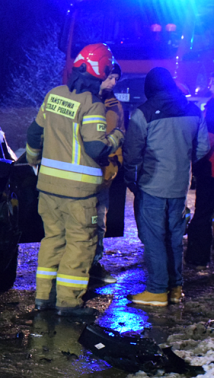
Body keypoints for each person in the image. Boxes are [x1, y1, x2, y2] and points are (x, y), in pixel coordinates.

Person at [25, 43, 123, 317]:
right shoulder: (92, 104)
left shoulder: (54, 95)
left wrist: (33, 159)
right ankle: (68, 304)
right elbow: (96, 148)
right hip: (79, 193)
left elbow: (33, 134)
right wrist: (117, 137)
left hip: (48, 189)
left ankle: (43, 298)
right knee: (80, 245)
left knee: (52, 240)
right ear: (100, 70)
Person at [124, 67, 210, 306]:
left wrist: (132, 180)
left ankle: (157, 290)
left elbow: (132, 154)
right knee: (174, 237)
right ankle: (175, 287)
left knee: (153, 238)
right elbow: (202, 148)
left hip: (151, 185)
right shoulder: (193, 111)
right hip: (179, 185)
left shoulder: (143, 113)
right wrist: (183, 162)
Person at [89, 63, 124, 284]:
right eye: (110, 77)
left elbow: (119, 135)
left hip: (103, 175)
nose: (113, 83)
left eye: (116, 79)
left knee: (99, 223)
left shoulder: (114, 106)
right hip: (83, 173)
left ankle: (93, 264)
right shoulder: (86, 101)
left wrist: (114, 166)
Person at [184, 83, 214, 271]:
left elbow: (208, 138)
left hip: (211, 170)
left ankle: (198, 258)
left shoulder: (212, 105)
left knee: (203, 213)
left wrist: (195, 162)